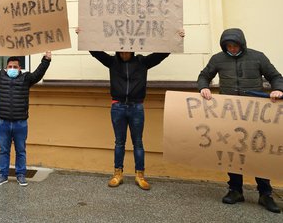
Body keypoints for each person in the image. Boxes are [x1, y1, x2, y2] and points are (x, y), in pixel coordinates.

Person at [76, 27, 185, 190]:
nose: (125, 53)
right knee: (119, 143)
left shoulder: (142, 62)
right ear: (118, 50)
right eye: (122, 51)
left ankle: (139, 175)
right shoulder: (112, 62)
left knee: (138, 143)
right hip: (118, 107)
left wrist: (176, 38)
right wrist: (83, 35)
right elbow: (96, 52)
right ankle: (117, 174)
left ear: (133, 50)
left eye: (128, 51)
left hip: (136, 107)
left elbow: (162, 54)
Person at [197, 28, 283, 214]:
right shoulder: (217, 59)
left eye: (235, 45)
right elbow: (204, 76)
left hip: (255, 113)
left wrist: (278, 89)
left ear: (242, 44)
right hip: (230, 114)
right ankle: (235, 190)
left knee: (258, 151)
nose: (233, 49)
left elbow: (276, 77)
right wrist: (204, 87)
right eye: (229, 46)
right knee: (233, 152)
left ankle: (265, 193)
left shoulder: (258, 57)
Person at [0, 41, 51, 187]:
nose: (12, 69)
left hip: (20, 123)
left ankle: (21, 175)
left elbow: (39, 73)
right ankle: (3, 175)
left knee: (21, 150)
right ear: (6, 68)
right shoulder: (0, 77)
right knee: (4, 150)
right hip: (3, 122)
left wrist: (46, 59)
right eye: (10, 66)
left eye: (15, 67)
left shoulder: (26, 79)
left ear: (20, 68)